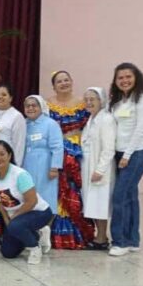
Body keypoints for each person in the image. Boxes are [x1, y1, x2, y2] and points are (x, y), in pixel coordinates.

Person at [108, 63, 143, 256]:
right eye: (120, 78)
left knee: (119, 196)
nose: (124, 81)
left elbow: (140, 129)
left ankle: (119, 242)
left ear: (136, 77)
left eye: (128, 77)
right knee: (130, 196)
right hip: (120, 153)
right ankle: (133, 240)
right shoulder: (119, 100)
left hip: (136, 153)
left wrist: (127, 156)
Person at [46, 70, 94, 249]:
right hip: (55, 150)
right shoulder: (47, 104)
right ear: (54, 86)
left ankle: (78, 233)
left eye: (66, 80)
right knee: (56, 190)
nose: (64, 83)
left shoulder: (82, 104)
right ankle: (52, 232)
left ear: (72, 81)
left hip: (76, 152)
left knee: (73, 189)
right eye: (59, 81)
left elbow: (90, 127)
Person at [0, 141, 53, 264]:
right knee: (8, 253)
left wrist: (14, 218)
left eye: (2, 154)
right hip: (16, 218)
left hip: (38, 212)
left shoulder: (20, 174)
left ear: (9, 155)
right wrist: (7, 220)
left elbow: (32, 201)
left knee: (15, 226)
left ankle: (35, 248)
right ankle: (38, 234)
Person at [80, 87, 116, 250]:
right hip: (88, 167)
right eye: (86, 99)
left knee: (101, 204)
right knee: (92, 203)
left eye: (92, 99)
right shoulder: (90, 120)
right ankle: (99, 236)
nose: (89, 102)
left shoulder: (106, 119)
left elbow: (108, 149)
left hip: (100, 169)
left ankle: (102, 238)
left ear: (101, 101)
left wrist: (100, 170)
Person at [22, 95, 63, 217]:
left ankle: (46, 230)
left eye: (34, 105)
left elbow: (57, 147)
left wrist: (54, 168)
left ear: (41, 107)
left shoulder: (50, 124)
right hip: (27, 165)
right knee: (29, 196)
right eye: (27, 106)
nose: (30, 108)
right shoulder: (24, 124)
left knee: (46, 197)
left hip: (45, 166)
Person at [0, 85, 26, 165]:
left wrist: (15, 165)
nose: (0, 97)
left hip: (7, 159)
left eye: (4, 95)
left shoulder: (17, 116)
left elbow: (19, 144)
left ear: (10, 98)